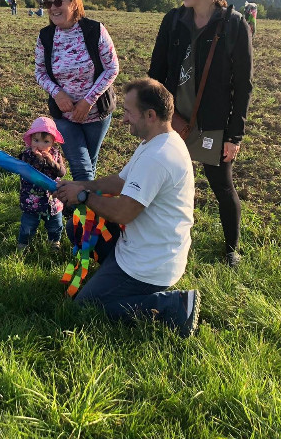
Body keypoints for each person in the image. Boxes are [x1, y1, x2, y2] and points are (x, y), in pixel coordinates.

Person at [55, 78, 200, 337]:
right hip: (144, 247)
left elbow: (123, 213)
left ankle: (173, 306)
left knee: (87, 307)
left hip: (148, 266)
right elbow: (120, 182)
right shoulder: (157, 142)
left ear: (150, 115)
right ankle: (113, 279)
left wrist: (84, 197)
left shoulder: (158, 157)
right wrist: (81, 185)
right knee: (74, 227)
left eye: (128, 112)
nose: (123, 119)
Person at [148, 0, 253, 267]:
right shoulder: (173, 20)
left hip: (212, 123)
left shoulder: (235, 26)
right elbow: (156, 73)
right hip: (171, 121)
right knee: (163, 183)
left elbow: (243, 86)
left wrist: (234, 136)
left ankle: (231, 249)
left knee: (222, 185)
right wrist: (154, 119)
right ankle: (157, 239)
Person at [34, 0, 119, 183]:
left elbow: (112, 68)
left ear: (74, 3)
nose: (53, 8)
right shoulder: (45, 37)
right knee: (81, 167)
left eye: (58, 2)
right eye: (48, 4)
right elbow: (40, 72)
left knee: (89, 163)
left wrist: (88, 101)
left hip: (97, 114)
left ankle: (85, 201)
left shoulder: (95, 30)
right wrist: (57, 93)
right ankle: (85, 201)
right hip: (65, 116)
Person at [16, 117, 67, 250]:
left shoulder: (56, 155)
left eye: (46, 142)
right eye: (36, 140)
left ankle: (54, 242)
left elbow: (61, 172)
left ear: (53, 142)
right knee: (28, 226)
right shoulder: (27, 155)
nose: (41, 145)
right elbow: (31, 170)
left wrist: (51, 162)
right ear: (31, 140)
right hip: (31, 200)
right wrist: (38, 158)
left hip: (53, 201)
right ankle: (23, 244)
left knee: (55, 225)